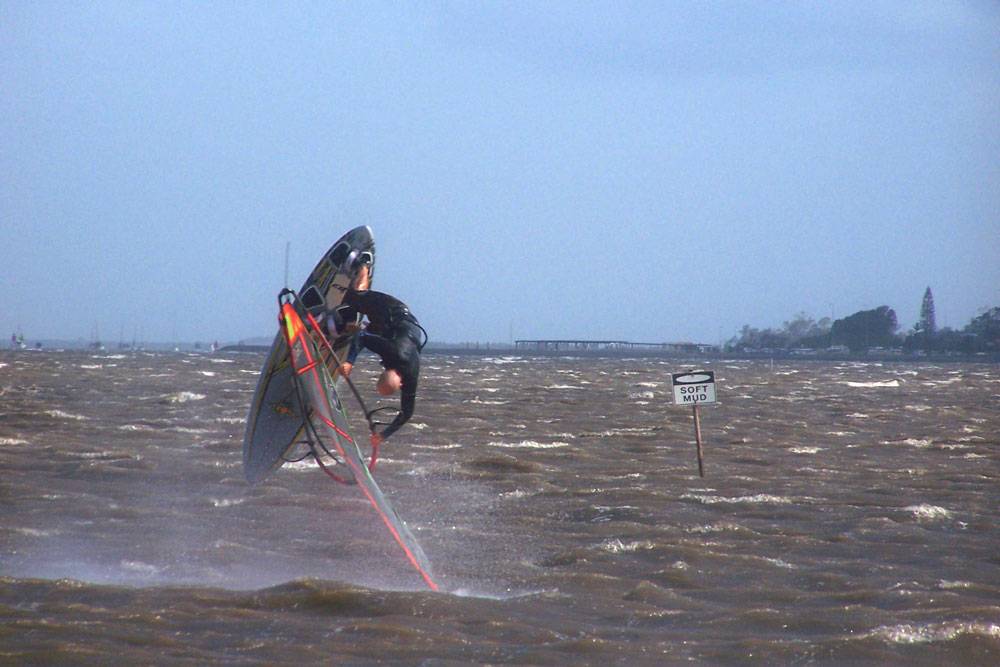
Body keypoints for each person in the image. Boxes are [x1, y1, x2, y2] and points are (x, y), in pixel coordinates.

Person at [326, 263, 424, 447]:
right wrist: (349, 363)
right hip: (393, 311)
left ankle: (348, 325)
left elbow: (407, 413)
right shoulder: (394, 354)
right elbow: (362, 339)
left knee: (354, 330)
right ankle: (364, 269)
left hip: (394, 331)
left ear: (401, 383)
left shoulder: (410, 378)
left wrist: (383, 435)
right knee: (352, 297)